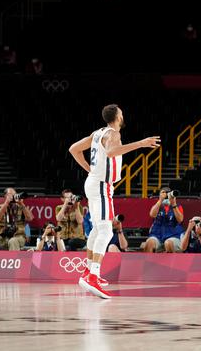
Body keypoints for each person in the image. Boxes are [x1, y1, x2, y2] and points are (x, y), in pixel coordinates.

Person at [69, 103, 160, 299]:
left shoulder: (97, 133)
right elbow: (111, 152)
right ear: (118, 117)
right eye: (121, 112)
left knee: (96, 229)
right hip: (101, 185)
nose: (122, 114)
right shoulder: (113, 134)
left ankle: (88, 272)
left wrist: (88, 169)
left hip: (93, 182)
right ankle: (93, 275)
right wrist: (141, 143)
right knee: (106, 230)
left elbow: (73, 149)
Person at [144, 188, 185, 253]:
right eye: (163, 192)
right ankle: (148, 262)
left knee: (168, 243)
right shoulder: (158, 206)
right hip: (157, 235)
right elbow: (152, 215)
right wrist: (160, 200)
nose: (166, 194)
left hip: (173, 235)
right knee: (149, 243)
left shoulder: (177, 206)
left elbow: (180, 220)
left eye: (168, 193)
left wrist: (173, 204)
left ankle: (173, 262)